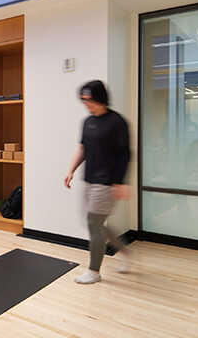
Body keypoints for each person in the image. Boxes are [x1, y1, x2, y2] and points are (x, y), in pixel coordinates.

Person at [64, 80, 132, 284]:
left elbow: (125, 154)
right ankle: (124, 250)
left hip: (107, 182)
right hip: (89, 180)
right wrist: (71, 170)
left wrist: (120, 183)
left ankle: (94, 271)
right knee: (95, 223)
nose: (86, 104)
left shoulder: (117, 122)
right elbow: (82, 148)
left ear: (100, 98)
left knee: (94, 224)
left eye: (89, 100)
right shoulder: (87, 122)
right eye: (83, 100)